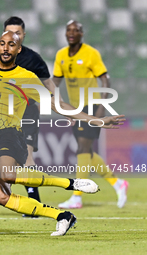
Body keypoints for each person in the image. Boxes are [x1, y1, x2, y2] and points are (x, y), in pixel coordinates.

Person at [0, 31, 125, 236]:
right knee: (0, 196)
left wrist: (97, 120)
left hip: (8, 132)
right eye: (2, 44)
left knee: (7, 175)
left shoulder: (26, 77)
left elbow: (57, 104)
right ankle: (62, 216)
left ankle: (70, 183)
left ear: (18, 49)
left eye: (11, 45)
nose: (6, 48)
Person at [52, 20, 129, 209]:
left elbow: (105, 79)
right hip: (76, 108)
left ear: (82, 33)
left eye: (76, 30)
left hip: (92, 105)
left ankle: (77, 196)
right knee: (87, 152)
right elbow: (54, 82)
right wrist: (59, 105)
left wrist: (102, 106)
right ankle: (117, 183)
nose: (71, 33)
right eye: (68, 30)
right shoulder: (61, 55)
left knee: (82, 149)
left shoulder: (91, 53)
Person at [0, 16, 61, 215]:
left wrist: (54, 103)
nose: (14, 36)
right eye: (10, 32)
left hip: (28, 112)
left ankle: (34, 201)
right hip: (3, 116)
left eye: (18, 33)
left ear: (23, 35)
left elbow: (48, 84)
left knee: (28, 155)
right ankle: (10, 194)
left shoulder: (33, 58)